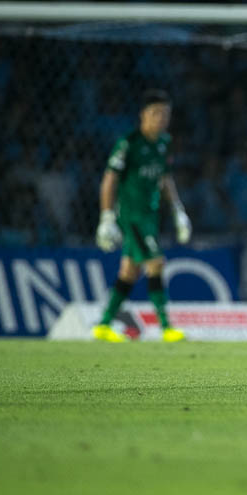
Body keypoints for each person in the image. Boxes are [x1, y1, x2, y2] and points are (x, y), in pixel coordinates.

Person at [92, 89, 191, 342]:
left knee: (129, 272)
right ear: (143, 115)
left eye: (165, 114)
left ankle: (103, 325)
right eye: (155, 113)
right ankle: (166, 327)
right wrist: (106, 217)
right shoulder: (129, 143)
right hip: (132, 216)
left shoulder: (164, 143)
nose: (161, 119)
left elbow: (165, 178)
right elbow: (109, 179)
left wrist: (178, 210)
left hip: (150, 216)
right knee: (156, 263)